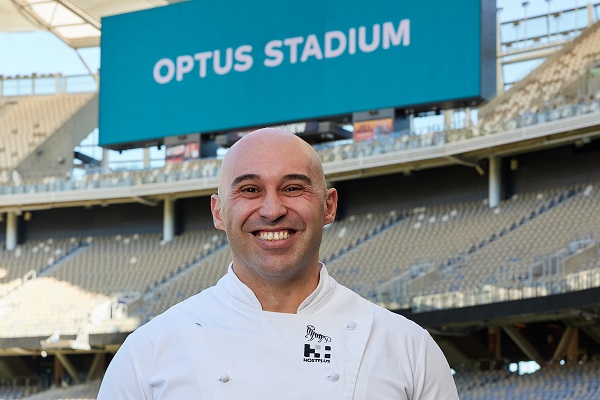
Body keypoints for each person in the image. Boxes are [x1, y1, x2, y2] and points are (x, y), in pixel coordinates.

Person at [98, 128, 459, 399]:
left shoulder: (408, 347)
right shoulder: (147, 352)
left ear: (329, 205)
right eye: (250, 190)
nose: (272, 211)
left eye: (293, 188)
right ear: (219, 211)